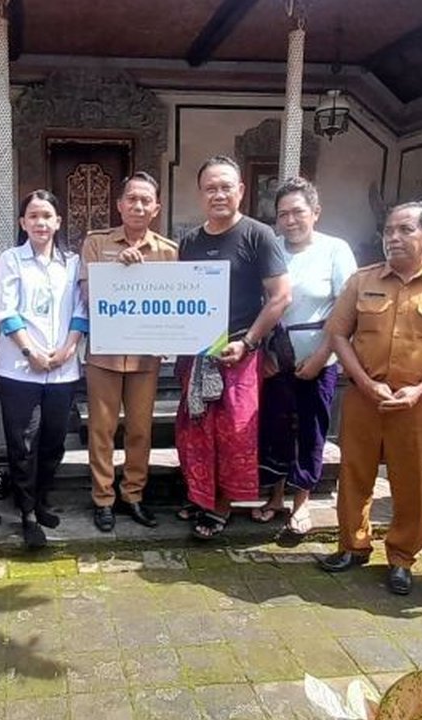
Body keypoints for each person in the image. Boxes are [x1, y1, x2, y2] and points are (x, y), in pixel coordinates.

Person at [320, 201, 422, 595]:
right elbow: (338, 334)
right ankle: (352, 545)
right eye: (389, 230)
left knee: (411, 481)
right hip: (364, 398)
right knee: (354, 475)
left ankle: (401, 558)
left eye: (405, 230)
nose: (393, 238)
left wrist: (421, 390)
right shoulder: (362, 281)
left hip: (419, 403)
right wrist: (362, 381)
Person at [175, 156, 291, 540]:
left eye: (226, 186)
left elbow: (280, 297)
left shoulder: (259, 235)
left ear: (241, 190)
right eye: (211, 188)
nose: (219, 194)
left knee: (234, 433)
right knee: (195, 430)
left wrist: (248, 342)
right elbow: (179, 295)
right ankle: (201, 494)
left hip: (240, 353)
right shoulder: (190, 240)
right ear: (201, 193)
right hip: (199, 353)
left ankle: (221, 505)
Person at [253, 178, 357, 545]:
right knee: (275, 427)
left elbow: (346, 310)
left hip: (319, 353)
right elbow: (261, 304)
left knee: (311, 431)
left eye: (298, 211)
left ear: (315, 212)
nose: (290, 220)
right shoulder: (271, 249)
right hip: (275, 356)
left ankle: (301, 502)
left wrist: (322, 355)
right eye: (283, 214)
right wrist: (263, 351)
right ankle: (275, 495)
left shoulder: (335, 250)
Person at [79, 172, 178, 532]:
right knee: (101, 430)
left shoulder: (168, 251)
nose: (138, 205)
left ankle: (133, 494)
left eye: (145, 200)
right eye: (131, 199)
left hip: (145, 356)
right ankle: (103, 498)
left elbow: (174, 302)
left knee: (140, 430)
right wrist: (117, 272)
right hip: (104, 354)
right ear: (119, 205)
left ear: (156, 208)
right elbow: (89, 298)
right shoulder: (96, 244)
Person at [0, 189, 88, 549]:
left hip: (62, 369)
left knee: (53, 440)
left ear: (58, 221)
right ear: (22, 223)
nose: (40, 223)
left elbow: (81, 310)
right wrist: (30, 352)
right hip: (20, 368)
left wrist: (67, 350)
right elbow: (6, 310)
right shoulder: (11, 260)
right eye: (33, 216)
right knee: (24, 442)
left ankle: (42, 495)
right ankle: (27, 512)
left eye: (47, 216)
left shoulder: (72, 262)